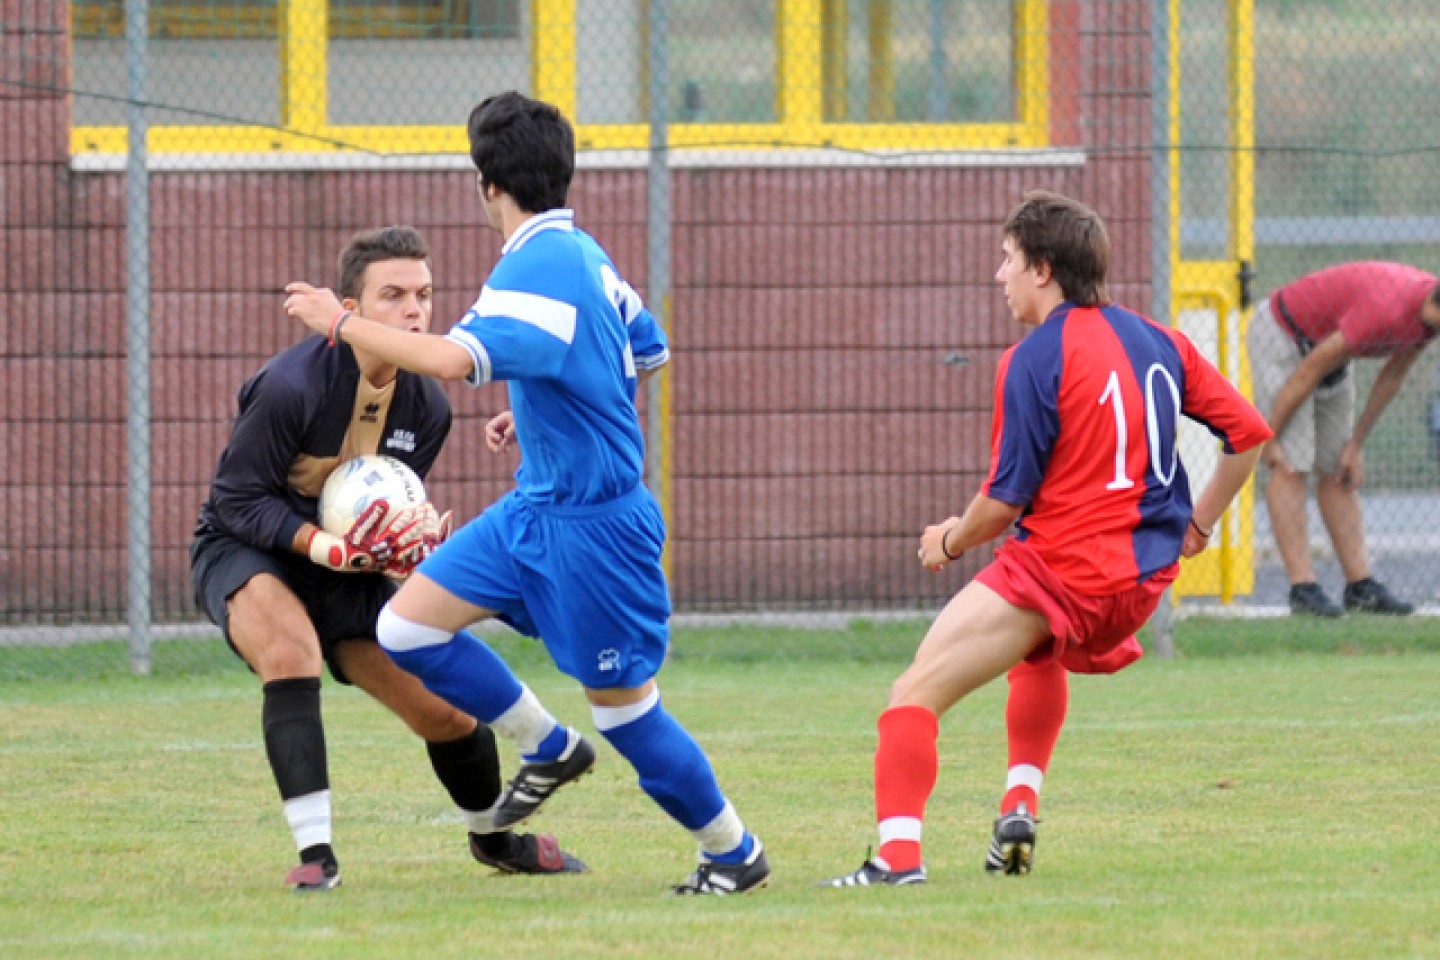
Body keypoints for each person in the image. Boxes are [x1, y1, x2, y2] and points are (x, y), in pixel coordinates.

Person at [283, 92, 770, 896]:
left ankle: (732, 849)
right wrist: (541, 402)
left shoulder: (537, 266)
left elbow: (445, 361)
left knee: (625, 713)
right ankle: (545, 746)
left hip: (596, 528)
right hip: (535, 508)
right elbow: (644, 349)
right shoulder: (581, 253)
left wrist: (337, 322)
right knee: (403, 627)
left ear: (487, 184)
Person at [819, 191, 1273, 888]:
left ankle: (897, 859)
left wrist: (947, 539)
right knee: (1038, 652)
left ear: (1043, 269)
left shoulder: (1033, 359)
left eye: (1006, 260)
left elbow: (1002, 505)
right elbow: (1248, 436)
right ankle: (1020, 803)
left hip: (1063, 571)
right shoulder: (1162, 341)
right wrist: (1199, 524)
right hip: (1140, 584)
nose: (998, 276)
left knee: (911, 693)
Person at [192, 225, 587, 892]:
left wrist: (404, 545)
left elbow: (380, 514)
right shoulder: (290, 385)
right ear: (349, 310)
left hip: (344, 570)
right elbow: (235, 501)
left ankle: (496, 840)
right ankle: (317, 860)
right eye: (393, 295)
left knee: (449, 713)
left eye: (424, 295)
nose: (414, 310)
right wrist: (326, 545)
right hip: (248, 550)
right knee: (292, 653)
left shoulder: (426, 404)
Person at [1247, 261, 1440, 617]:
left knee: (1339, 469)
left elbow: (1393, 374)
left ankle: (1360, 586)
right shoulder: (1386, 311)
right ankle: (1303, 589)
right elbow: (1309, 370)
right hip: (1283, 336)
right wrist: (1268, 436)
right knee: (1290, 465)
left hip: (1332, 350)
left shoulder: (1429, 318)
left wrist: (1356, 444)